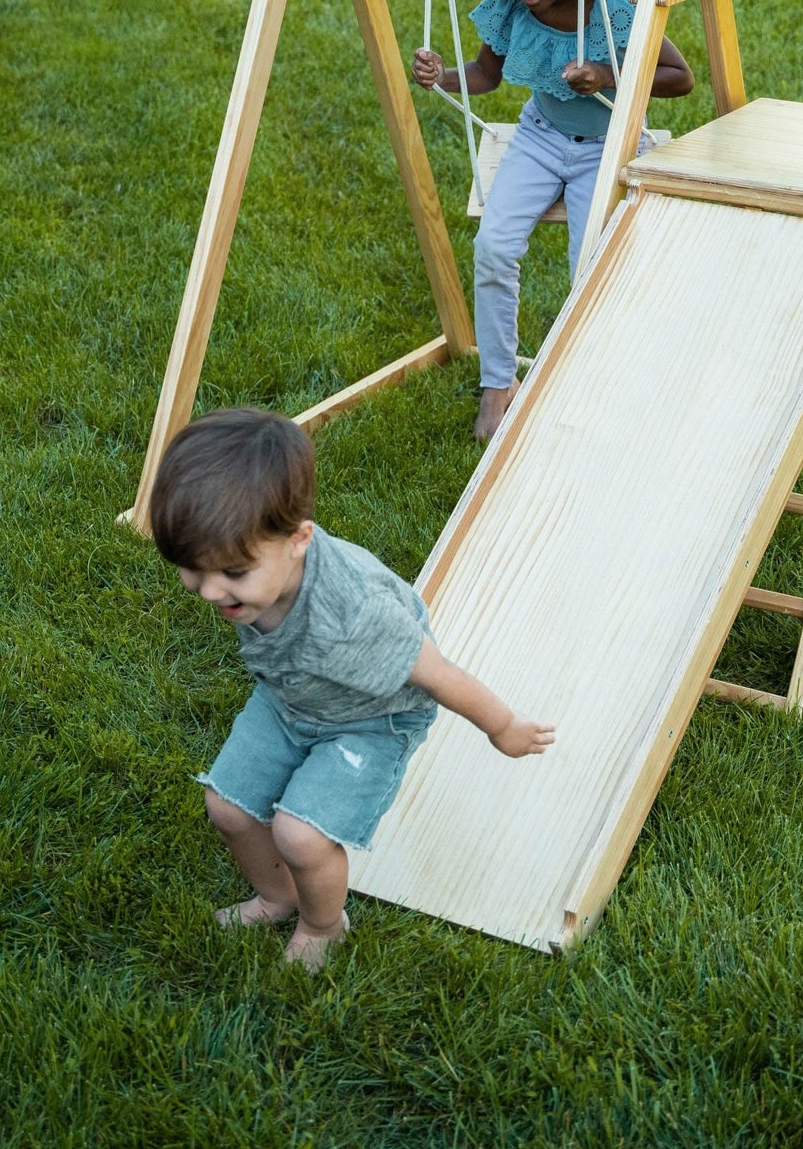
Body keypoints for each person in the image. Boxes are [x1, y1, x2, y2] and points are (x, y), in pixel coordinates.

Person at [149, 407, 555, 972]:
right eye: (192, 568)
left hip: (372, 720)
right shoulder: (253, 573)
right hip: (291, 698)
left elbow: (437, 673)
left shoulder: (355, 613)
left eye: (232, 574)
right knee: (227, 806)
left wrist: (503, 726)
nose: (209, 591)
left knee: (301, 836)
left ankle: (323, 924)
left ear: (298, 539)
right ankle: (277, 896)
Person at [411, 0, 694, 441]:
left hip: (607, 148)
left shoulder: (617, 6)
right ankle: (498, 383)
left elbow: (679, 77)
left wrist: (607, 74)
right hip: (539, 138)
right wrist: (443, 75)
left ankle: (592, 377)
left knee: (588, 267)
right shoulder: (511, 6)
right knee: (493, 247)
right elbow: (486, 75)